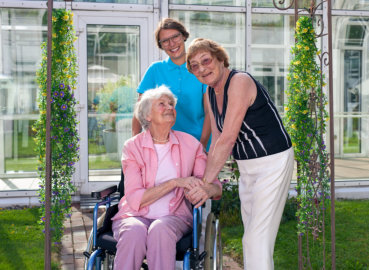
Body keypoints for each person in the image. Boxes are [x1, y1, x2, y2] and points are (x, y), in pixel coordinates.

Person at [185, 38, 294, 270]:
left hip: (273, 161)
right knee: (254, 235)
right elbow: (216, 140)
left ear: (220, 59)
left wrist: (205, 184)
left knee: (256, 238)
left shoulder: (240, 81)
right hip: (247, 166)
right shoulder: (210, 94)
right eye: (195, 65)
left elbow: (228, 138)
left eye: (206, 60)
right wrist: (208, 181)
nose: (202, 68)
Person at [112, 86, 222, 270]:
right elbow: (135, 198)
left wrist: (204, 190)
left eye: (171, 104)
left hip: (174, 217)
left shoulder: (191, 145)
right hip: (134, 215)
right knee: (133, 231)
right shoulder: (133, 147)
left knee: (160, 230)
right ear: (147, 115)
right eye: (162, 104)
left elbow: (214, 186)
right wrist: (175, 182)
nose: (169, 107)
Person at [132, 18, 210, 150]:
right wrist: (134, 144)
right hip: (162, 144)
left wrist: (202, 145)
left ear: (184, 36)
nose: (171, 43)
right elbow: (140, 111)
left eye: (175, 37)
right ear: (161, 45)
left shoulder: (199, 68)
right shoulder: (155, 70)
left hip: (197, 142)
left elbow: (210, 112)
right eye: (165, 41)